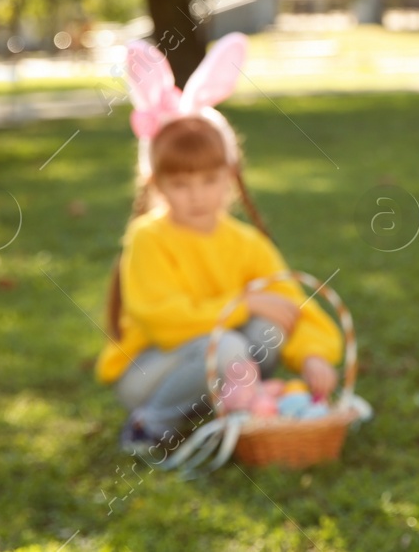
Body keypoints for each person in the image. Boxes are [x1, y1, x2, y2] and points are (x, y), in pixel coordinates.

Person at [96, 33, 342, 455]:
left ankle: (232, 408)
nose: (197, 195)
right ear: (155, 184)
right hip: (150, 370)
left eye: (210, 180)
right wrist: (243, 304)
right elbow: (162, 319)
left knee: (270, 327)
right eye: (180, 183)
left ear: (230, 178)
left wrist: (315, 354)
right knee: (228, 342)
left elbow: (290, 301)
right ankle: (150, 423)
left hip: (218, 363)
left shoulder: (244, 242)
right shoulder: (149, 237)